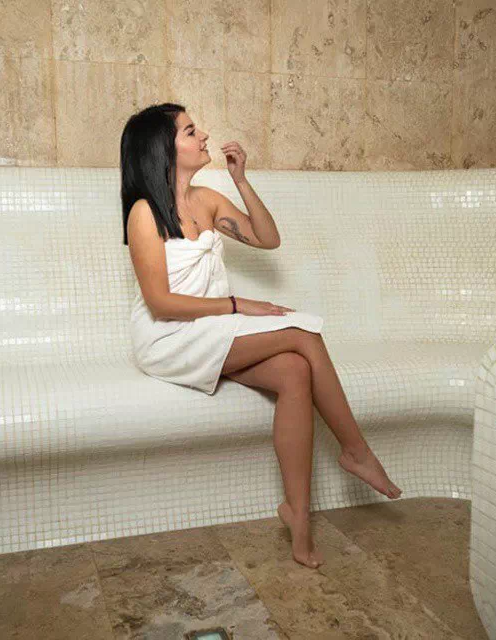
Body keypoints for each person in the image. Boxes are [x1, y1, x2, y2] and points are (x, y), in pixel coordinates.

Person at [120, 102, 402, 569]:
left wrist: (242, 181)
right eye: (190, 131)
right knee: (303, 335)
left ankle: (298, 516)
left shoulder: (207, 200)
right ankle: (355, 451)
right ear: (163, 150)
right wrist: (238, 305)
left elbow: (269, 239)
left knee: (294, 371)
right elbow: (161, 304)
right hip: (167, 338)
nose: (203, 136)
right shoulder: (144, 213)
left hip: (211, 329)